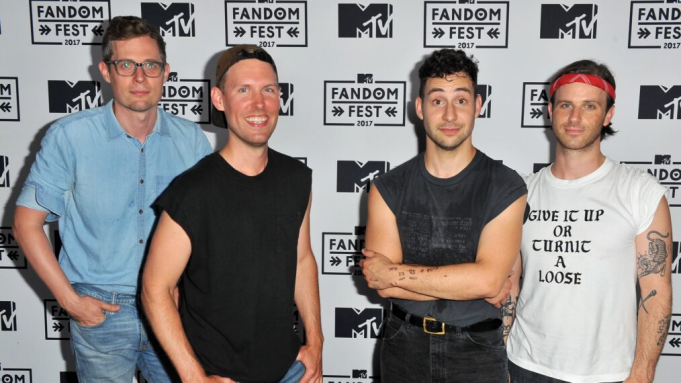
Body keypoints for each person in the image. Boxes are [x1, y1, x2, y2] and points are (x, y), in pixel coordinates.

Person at [12, 16, 211, 382]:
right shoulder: (69, 137)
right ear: (106, 70)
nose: (139, 77)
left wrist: (189, 292)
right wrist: (71, 302)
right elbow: (26, 224)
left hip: (171, 309)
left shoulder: (192, 141)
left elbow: (207, 232)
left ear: (165, 72)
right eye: (126, 65)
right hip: (100, 312)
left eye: (150, 65)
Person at [141, 45, 323, 383]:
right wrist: (194, 378)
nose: (259, 104)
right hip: (218, 374)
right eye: (243, 90)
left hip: (289, 370)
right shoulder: (191, 192)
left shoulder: (297, 178)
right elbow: (155, 288)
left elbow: (301, 261)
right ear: (219, 99)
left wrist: (316, 343)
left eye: (268, 90)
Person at [360, 49, 527, 382]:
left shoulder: (505, 185)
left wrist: (396, 272)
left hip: (477, 350)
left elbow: (489, 281)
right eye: (437, 101)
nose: (450, 115)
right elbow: (382, 285)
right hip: (402, 345)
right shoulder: (387, 187)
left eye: (461, 100)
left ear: (478, 106)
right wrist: (469, 282)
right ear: (420, 108)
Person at [506, 60, 672, 383]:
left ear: (608, 114)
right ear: (551, 111)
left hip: (609, 374)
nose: (575, 118)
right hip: (525, 366)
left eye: (589, 106)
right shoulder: (522, 192)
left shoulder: (640, 191)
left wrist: (642, 373)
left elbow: (657, 290)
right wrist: (501, 357)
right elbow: (509, 284)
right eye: (566, 104)